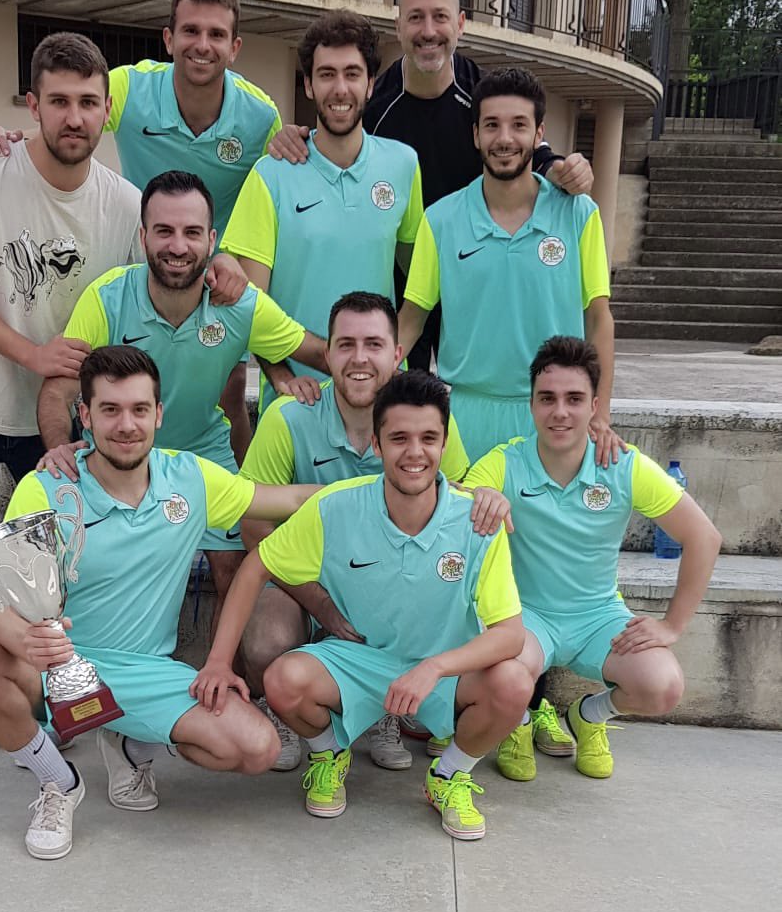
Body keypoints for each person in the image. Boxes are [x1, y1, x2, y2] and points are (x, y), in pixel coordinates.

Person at [0, 346, 320, 861]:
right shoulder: (47, 487)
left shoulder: (190, 478)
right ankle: (58, 783)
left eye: (140, 410)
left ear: (158, 414)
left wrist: (396, 488)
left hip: (146, 672)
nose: (127, 425)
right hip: (61, 665)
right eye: (110, 410)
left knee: (258, 747)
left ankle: (129, 740)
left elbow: (293, 500)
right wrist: (26, 641)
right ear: (85, 415)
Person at [0, 32, 144, 762]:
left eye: (87, 103)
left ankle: (58, 696)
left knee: (55, 570)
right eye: (58, 101)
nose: (73, 117)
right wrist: (33, 354)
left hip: (52, 424)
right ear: (33, 105)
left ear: (106, 111)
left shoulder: (124, 206)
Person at [192, 370, 530, 842]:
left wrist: (434, 667)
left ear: (445, 441)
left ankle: (450, 775)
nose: (415, 453)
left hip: (440, 668)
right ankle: (329, 752)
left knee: (515, 682)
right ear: (376, 443)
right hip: (361, 659)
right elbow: (256, 567)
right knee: (283, 681)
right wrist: (216, 662)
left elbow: (510, 634)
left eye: (429, 438)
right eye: (399, 438)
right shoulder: (336, 506)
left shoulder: (476, 519)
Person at [0, 0, 283, 462]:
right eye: (189, 31)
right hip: (143, 258)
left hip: (211, 267)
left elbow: (269, 193)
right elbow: (77, 116)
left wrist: (228, 256)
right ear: (168, 38)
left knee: (229, 387)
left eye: (215, 34)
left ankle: (236, 500)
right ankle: (128, 482)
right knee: (127, 381)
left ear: (235, 47)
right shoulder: (129, 87)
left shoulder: (259, 115)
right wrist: (17, 139)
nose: (201, 45)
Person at [36, 170, 328, 626]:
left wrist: (376, 367)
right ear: (143, 236)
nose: (178, 246)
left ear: (212, 240)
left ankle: (220, 684)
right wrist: (57, 445)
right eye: (164, 231)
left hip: (204, 451)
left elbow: (314, 351)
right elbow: (58, 390)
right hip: (117, 452)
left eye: (192, 232)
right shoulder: (107, 298)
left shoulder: (238, 304)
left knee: (231, 566)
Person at [268, 0, 594, 371]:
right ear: (399, 26)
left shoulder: (483, 94)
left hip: (473, 276)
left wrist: (563, 167)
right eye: (416, 18)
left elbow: (524, 146)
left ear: (460, 24)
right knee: (406, 409)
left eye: (440, 17)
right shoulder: (375, 106)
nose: (428, 31)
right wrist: (296, 136)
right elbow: (336, 134)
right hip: (406, 291)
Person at [463, 336, 721, 782]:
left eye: (574, 399)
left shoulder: (623, 465)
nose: (560, 411)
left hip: (596, 616)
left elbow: (704, 536)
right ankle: (518, 723)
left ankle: (589, 716)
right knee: (501, 678)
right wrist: (477, 496)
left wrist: (672, 625)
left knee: (663, 686)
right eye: (547, 398)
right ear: (531, 404)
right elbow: (454, 508)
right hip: (526, 619)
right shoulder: (503, 463)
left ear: (594, 406)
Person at [238, 291, 470, 772]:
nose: (359, 358)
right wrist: (317, 600)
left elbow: (458, 505)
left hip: (389, 573)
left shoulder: (424, 417)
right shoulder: (289, 416)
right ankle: (286, 714)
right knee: (263, 638)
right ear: (327, 354)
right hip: (305, 574)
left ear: (397, 353)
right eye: (345, 345)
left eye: (373, 344)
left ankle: (383, 712)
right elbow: (255, 525)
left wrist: (488, 496)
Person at [399, 67, 620, 467]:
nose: (504, 139)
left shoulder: (579, 214)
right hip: (467, 419)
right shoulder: (441, 220)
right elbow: (411, 319)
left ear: (539, 135)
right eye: (491, 125)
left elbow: (598, 320)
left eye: (519, 125)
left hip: (555, 415)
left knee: (543, 531)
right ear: (475, 135)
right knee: (472, 528)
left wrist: (600, 415)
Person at [222, 9, 424, 411]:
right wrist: (280, 374)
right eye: (327, 74)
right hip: (298, 399)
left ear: (370, 84)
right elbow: (251, 301)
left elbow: (419, 284)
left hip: (374, 401)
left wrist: (390, 357)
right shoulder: (271, 174)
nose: (340, 88)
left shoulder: (403, 165)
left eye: (352, 74)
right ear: (309, 86)